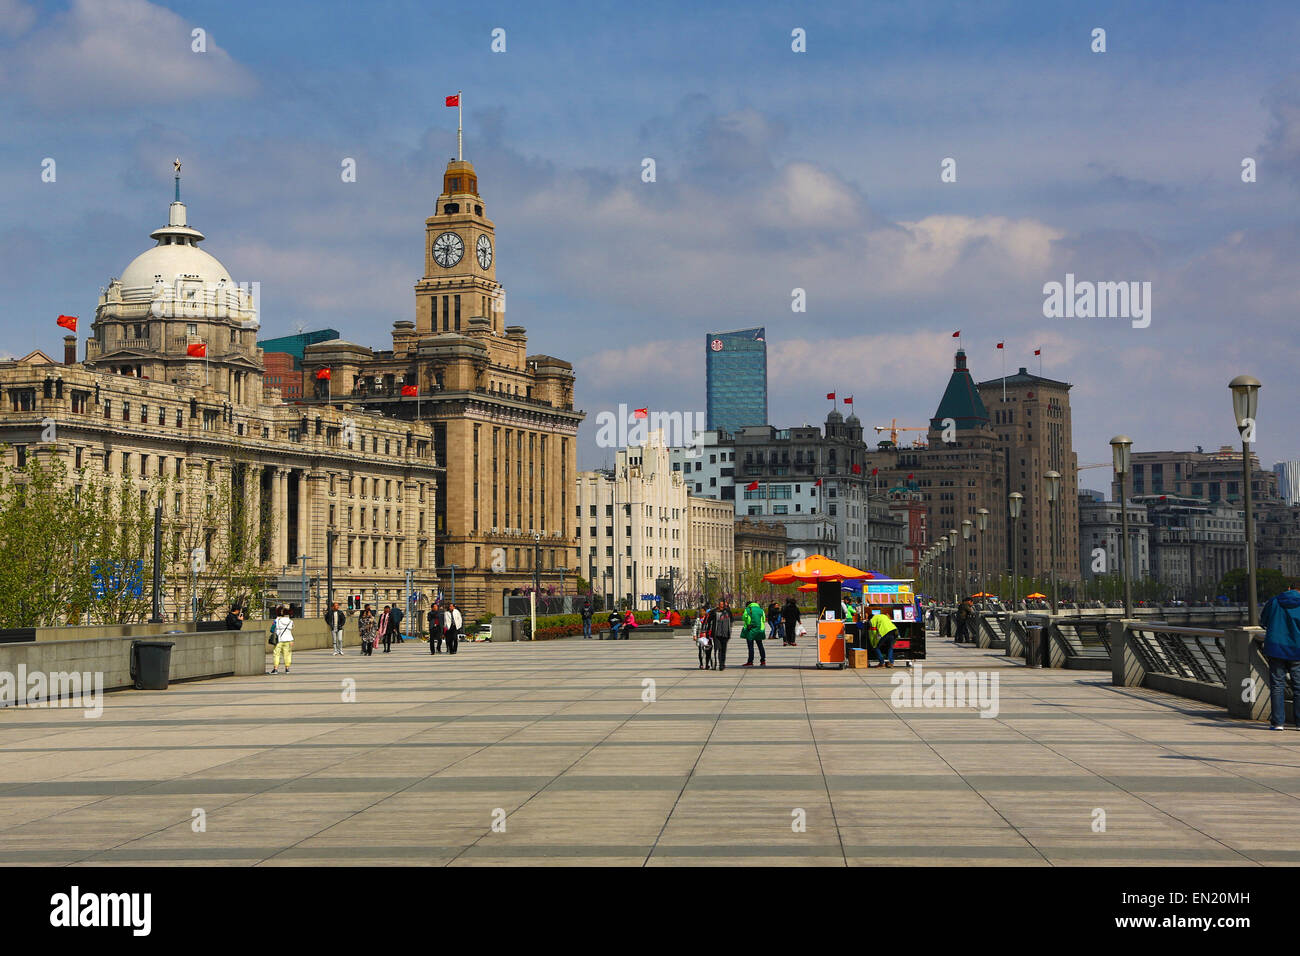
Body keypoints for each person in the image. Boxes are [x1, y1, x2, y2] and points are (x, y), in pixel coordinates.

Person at [1260, 584, 1300, 731]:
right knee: (1298, 686)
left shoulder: (1274, 601)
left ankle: (1278, 723)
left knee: (1277, 686)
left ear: (1289, 588)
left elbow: (1263, 620)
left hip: (1276, 648)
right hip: (1297, 649)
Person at [742, 598, 767, 667]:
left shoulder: (747, 609)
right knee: (760, 645)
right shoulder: (761, 610)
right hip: (759, 630)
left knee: (751, 647)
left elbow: (743, 618)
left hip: (750, 630)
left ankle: (750, 661)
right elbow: (764, 619)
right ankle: (763, 661)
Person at [269, 605, 294, 674]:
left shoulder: (276, 620)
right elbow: (291, 628)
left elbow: (272, 629)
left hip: (279, 639)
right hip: (289, 639)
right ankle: (287, 668)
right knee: (287, 654)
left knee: (276, 654)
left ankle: (275, 669)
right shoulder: (290, 621)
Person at [710, 600, 733, 670]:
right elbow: (709, 620)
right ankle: (719, 663)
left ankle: (722, 664)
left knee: (723, 649)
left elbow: (731, 621)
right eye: (720, 604)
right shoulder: (714, 612)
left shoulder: (728, 612)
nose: (721, 606)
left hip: (725, 634)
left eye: (722, 604)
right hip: (716, 634)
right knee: (718, 649)